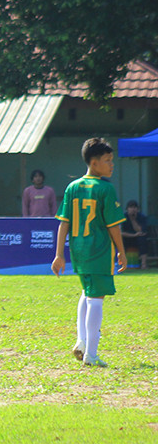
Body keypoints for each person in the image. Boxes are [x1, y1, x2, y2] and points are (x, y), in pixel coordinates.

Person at [51, 137, 127, 368]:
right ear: (94, 164)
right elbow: (113, 225)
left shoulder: (72, 187)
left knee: (86, 291)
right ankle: (91, 354)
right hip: (99, 250)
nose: (111, 165)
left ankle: (81, 341)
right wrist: (121, 252)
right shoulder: (105, 188)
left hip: (78, 250)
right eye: (107, 160)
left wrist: (59, 254)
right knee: (97, 299)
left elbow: (63, 223)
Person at [120, 200, 149, 269]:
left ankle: (143, 264)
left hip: (138, 238)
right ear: (127, 209)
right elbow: (120, 232)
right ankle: (121, 263)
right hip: (127, 237)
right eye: (131, 207)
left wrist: (133, 220)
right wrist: (133, 235)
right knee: (119, 240)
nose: (133, 209)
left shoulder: (141, 217)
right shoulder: (123, 217)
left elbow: (140, 231)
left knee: (143, 239)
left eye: (135, 207)